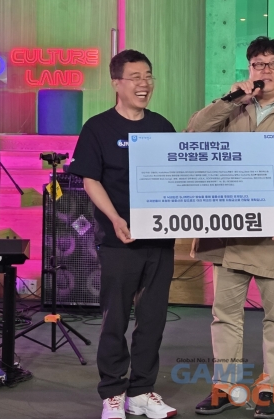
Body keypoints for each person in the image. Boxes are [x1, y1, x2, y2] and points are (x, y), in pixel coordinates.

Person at [188, 36, 274, 419]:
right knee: (225, 315)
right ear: (249, 70)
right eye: (258, 65)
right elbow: (193, 133)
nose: (265, 71)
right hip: (228, 230)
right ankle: (226, 387)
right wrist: (229, 99)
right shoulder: (232, 108)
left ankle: (269, 388)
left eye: (273, 64)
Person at [69, 49, 177, 419]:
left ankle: (142, 391)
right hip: (119, 239)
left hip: (160, 240)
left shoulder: (162, 126)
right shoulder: (98, 127)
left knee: (153, 319)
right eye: (135, 77)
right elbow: (90, 179)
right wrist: (115, 218)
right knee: (115, 318)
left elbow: (175, 178)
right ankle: (112, 392)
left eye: (148, 76)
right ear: (117, 83)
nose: (144, 83)